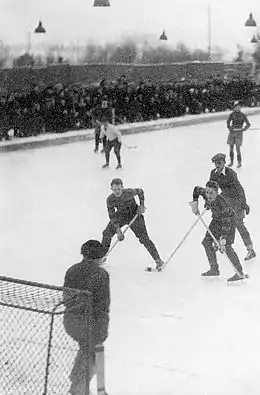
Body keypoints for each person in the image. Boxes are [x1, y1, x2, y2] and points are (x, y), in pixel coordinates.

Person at [63, 240, 110, 395]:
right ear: (99, 257)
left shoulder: (71, 270)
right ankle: (81, 388)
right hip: (91, 324)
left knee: (88, 350)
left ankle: (83, 384)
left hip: (71, 322)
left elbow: (66, 298)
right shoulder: (101, 275)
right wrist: (102, 329)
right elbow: (103, 305)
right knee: (94, 352)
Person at [102, 178, 164, 270]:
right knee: (107, 233)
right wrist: (118, 230)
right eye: (114, 189)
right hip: (121, 216)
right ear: (111, 189)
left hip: (135, 215)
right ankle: (101, 257)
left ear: (122, 187)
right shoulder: (110, 200)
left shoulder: (129, 192)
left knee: (144, 238)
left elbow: (140, 191)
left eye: (119, 189)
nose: (117, 191)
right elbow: (112, 216)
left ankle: (158, 260)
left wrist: (142, 205)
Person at [190, 180, 247, 282]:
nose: (208, 195)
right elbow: (196, 189)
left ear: (217, 192)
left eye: (211, 193)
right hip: (216, 220)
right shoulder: (205, 193)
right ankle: (214, 269)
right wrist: (195, 202)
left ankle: (239, 272)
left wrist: (223, 238)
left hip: (229, 221)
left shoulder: (222, 204)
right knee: (206, 242)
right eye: (207, 192)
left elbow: (226, 222)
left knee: (227, 246)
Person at [210, 153, 256, 261]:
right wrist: (209, 200)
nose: (217, 165)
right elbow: (211, 188)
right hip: (225, 200)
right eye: (216, 163)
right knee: (220, 220)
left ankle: (250, 250)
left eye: (219, 163)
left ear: (224, 163)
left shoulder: (231, 173)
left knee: (239, 224)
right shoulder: (213, 174)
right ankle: (219, 243)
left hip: (236, 201)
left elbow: (239, 188)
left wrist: (244, 203)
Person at [226, 101, 251, 168]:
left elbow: (248, 124)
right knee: (231, 148)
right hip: (232, 133)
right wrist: (230, 128)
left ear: (240, 108)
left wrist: (245, 128)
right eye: (236, 107)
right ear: (234, 108)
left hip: (239, 133)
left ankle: (239, 162)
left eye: (238, 107)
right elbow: (228, 123)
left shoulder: (243, 115)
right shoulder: (232, 114)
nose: (237, 108)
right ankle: (231, 162)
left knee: (238, 148)